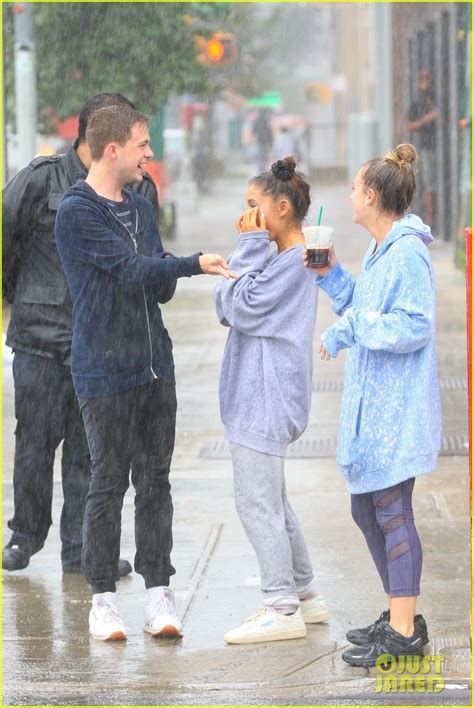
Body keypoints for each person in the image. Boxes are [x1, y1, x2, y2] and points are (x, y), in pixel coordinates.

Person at [55, 103, 234, 641]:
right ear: (112, 149)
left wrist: (167, 270)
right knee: (107, 483)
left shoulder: (141, 205)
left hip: (156, 367)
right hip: (104, 370)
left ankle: (160, 592)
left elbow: (156, 286)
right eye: (142, 144)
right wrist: (191, 261)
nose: (149, 153)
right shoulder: (75, 211)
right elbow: (134, 269)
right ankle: (103, 600)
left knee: (155, 481)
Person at [1, 93, 153, 576]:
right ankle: (24, 536)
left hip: (99, 342)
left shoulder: (136, 191)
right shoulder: (39, 179)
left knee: (90, 450)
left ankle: (80, 547)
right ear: (98, 137)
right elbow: (6, 238)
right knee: (34, 441)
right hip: (39, 340)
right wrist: (22, 295)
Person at [306, 144, 441, 667]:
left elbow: (413, 325)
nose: (349, 197)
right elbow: (364, 306)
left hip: (396, 411)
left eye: (355, 189)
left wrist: (352, 328)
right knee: (367, 508)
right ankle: (399, 611)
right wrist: (332, 275)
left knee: (390, 512)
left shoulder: (408, 252)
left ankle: (405, 630)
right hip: (376, 411)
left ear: (372, 196)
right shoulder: (384, 249)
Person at [214, 156, 329, 645]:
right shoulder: (284, 257)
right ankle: (305, 595)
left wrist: (246, 247)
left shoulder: (294, 261)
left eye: (254, 207)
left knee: (256, 503)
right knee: (273, 501)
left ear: (282, 208)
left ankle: (280, 605)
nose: (247, 218)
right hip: (263, 394)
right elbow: (228, 304)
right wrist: (250, 255)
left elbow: (236, 304)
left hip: (264, 398)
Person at [407, 69, 438, 227]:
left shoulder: (434, 99)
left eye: (428, 79)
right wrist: (426, 119)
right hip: (423, 147)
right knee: (424, 183)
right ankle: (428, 219)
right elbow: (409, 125)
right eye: (423, 79)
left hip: (434, 147)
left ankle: (432, 219)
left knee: (431, 183)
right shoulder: (417, 103)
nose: (426, 83)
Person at [252, 109, 273, 174]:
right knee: (263, 155)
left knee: (260, 155)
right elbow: (269, 133)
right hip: (264, 141)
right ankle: (262, 168)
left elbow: (254, 131)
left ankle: (260, 168)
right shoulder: (266, 122)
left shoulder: (257, 122)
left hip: (260, 141)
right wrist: (270, 142)